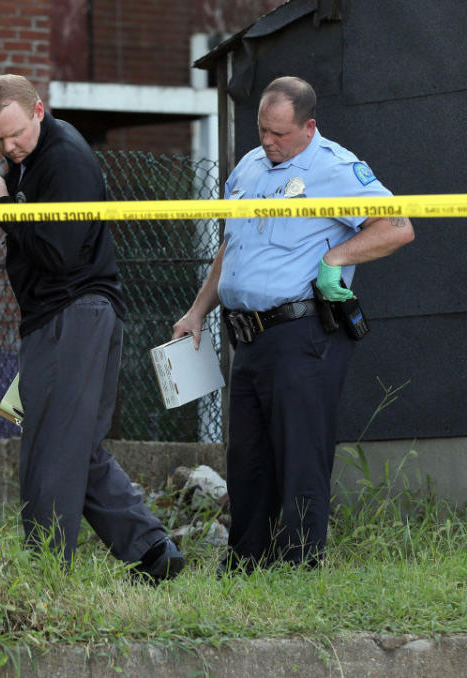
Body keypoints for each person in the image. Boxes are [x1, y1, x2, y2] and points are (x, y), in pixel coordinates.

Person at [173, 76, 414, 572]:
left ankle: (300, 566)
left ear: (309, 126)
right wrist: (198, 310)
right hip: (248, 336)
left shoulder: (335, 167)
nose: (268, 141)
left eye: (279, 134)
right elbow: (231, 246)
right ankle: (244, 564)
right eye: (263, 129)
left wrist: (337, 257)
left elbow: (397, 226)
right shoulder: (248, 168)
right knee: (247, 458)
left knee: (300, 455)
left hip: (303, 333)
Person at [0, 73, 184, 581]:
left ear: (38, 110)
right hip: (69, 316)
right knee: (75, 446)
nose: (9, 146)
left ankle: (45, 576)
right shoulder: (28, 159)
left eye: (16, 133)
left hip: (73, 314)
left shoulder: (63, 158)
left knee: (50, 450)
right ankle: (153, 552)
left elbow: (59, 253)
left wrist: (1, 208)